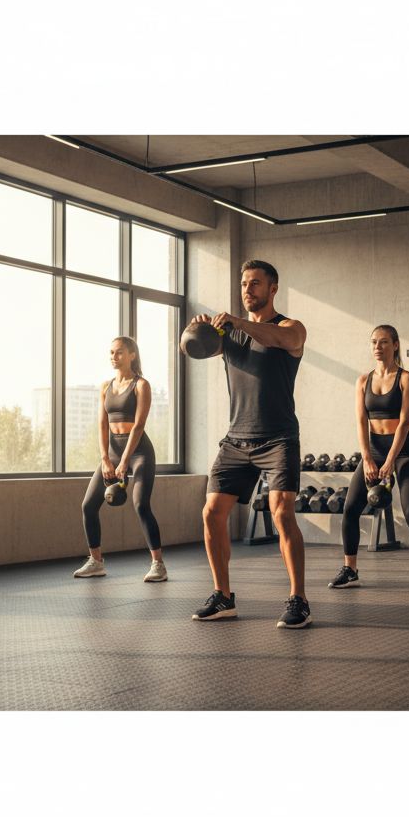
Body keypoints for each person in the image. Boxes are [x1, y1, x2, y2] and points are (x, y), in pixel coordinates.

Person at [188, 260, 311, 628]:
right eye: (244, 284)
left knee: (282, 512)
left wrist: (238, 323)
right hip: (237, 439)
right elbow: (191, 348)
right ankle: (223, 596)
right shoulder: (229, 336)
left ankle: (298, 599)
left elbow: (283, 340)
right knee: (211, 513)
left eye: (255, 283)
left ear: (273, 288)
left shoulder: (289, 327)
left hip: (278, 437)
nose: (248, 290)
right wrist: (194, 328)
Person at [328, 325, 409, 594]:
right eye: (374, 342)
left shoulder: (406, 379)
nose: (378, 346)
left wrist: (389, 462)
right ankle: (350, 569)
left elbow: (404, 424)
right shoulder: (363, 381)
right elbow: (361, 421)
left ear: (395, 345)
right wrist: (367, 458)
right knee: (350, 508)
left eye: (384, 342)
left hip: (402, 452)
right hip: (374, 450)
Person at [73, 336, 166, 583]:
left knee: (140, 505)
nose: (114, 357)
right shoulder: (105, 386)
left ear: (132, 355)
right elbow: (102, 424)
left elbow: (139, 425)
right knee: (88, 505)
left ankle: (158, 564)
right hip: (113, 451)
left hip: (139, 452)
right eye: (111, 353)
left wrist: (124, 461)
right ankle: (96, 562)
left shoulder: (141, 385)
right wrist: (105, 458)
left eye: (119, 352)